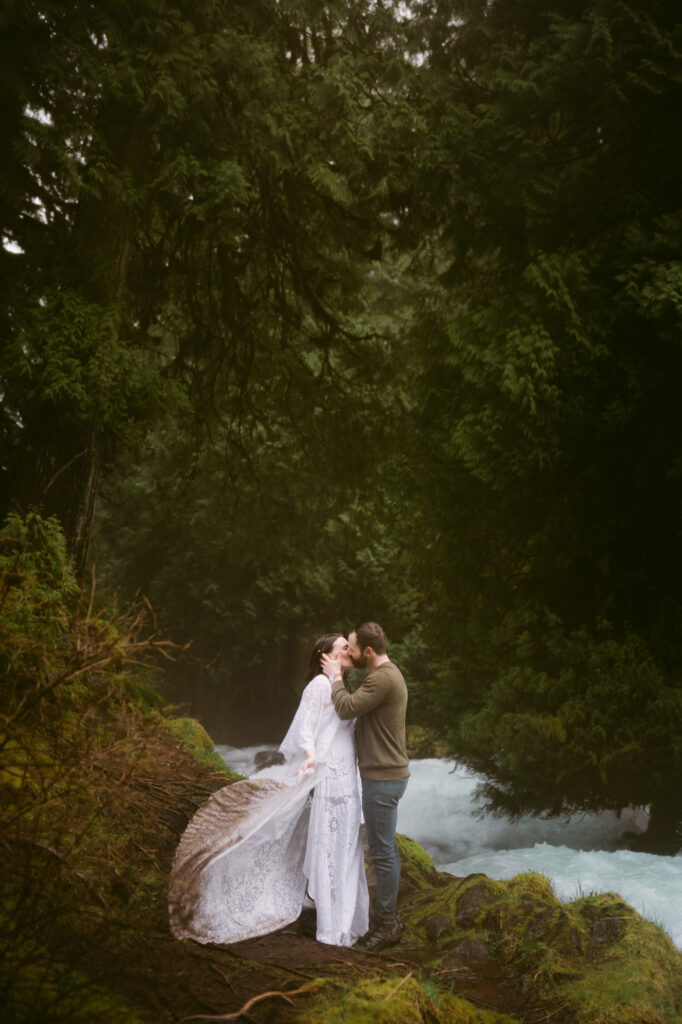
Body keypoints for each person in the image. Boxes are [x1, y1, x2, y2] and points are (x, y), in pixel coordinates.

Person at [169, 633, 369, 948]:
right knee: (329, 843)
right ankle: (328, 924)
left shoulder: (343, 685)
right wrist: (311, 755)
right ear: (325, 656)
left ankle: (345, 919)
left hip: (348, 775)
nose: (348, 650)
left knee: (347, 844)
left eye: (349, 646)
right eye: (342, 647)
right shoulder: (319, 685)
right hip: (329, 774)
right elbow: (305, 727)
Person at [322, 621, 409, 951]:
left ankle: (388, 923)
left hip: (383, 779)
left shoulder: (381, 679)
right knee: (385, 849)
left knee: (383, 852)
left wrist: (335, 676)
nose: (349, 652)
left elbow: (345, 709)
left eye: (353, 648)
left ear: (369, 652)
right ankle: (388, 918)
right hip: (386, 776)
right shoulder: (387, 675)